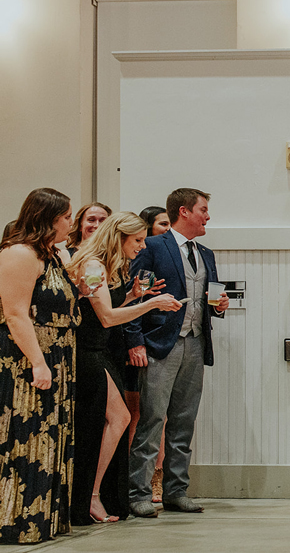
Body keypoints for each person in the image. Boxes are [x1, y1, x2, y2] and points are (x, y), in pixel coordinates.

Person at [66, 212, 181, 525]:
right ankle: (90, 496)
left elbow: (106, 305)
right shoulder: (92, 266)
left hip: (99, 351)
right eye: (138, 240)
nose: (142, 247)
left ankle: (94, 493)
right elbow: (105, 317)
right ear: (119, 238)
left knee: (120, 418)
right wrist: (149, 305)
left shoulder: (106, 267)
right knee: (120, 417)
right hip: (88, 353)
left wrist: (134, 295)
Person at [125, 188, 229, 517]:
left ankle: (176, 490)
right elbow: (134, 296)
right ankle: (138, 492)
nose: (208, 216)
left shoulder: (207, 254)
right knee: (152, 420)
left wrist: (220, 306)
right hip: (159, 345)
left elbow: (207, 297)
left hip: (196, 343)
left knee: (184, 421)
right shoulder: (153, 246)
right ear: (184, 212)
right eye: (203, 210)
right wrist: (134, 341)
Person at [0, 189, 81, 544]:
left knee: (49, 436)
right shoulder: (19, 254)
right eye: (66, 217)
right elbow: (15, 314)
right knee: (25, 436)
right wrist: (38, 362)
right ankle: (16, 520)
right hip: (26, 360)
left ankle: (41, 519)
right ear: (48, 219)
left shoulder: (51, 256)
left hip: (58, 355)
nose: (71, 223)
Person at [127, 205, 171, 502]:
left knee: (160, 414)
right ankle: (137, 479)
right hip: (140, 341)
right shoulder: (145, 255)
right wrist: (135, 340)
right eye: (163, 224)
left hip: (162, 342)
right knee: (138, 413)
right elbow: (133, 303)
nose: (167, 230)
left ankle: (158, 476)